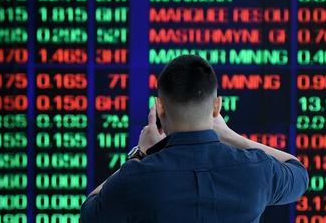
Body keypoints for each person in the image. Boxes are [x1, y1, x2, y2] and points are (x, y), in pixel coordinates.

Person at [80, 54, 309, 222]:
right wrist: (230, 135)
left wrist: (140, 154)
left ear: (159, 108)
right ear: (216, 106)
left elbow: (89, 214)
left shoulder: (137, 177)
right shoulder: (256, 169)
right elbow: (298, 173)